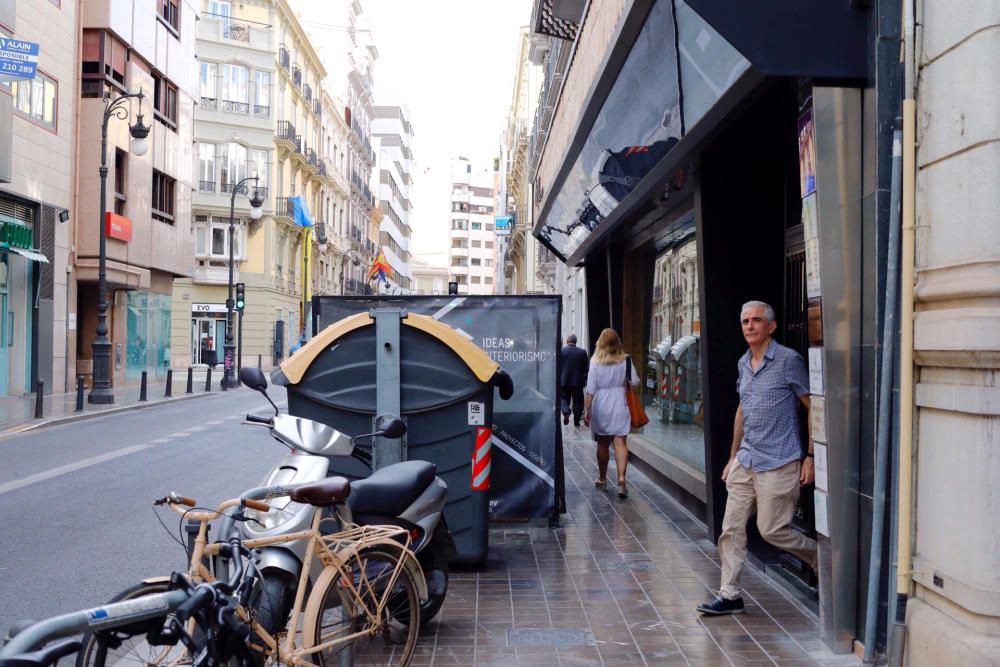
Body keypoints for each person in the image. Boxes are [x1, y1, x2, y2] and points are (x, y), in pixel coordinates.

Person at [697, 301, 817, 616]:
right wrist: (733, 455)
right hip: (746, 460)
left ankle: (822, 559)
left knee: (772, 530)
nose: (749, 326)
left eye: (756, 320)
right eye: (745, 321)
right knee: (731, 529)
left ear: (771, 327)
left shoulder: (789, 361)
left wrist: (811, 455)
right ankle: (730, 595)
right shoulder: (743, 363)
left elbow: (812, 408)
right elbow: (742, 408)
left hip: (779, 460)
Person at [582, 328, 639, 499]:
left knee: (602, 443)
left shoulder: (595, 361)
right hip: (621, 403)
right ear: (618, 343)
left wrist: (586, 410)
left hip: (602, 404)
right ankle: (621, 479)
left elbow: (590, 389)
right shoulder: (626, 360)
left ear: (600, 343)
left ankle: (602, 478)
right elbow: (634, 381)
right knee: (620, 442)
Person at [559, 334, 589, 426]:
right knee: (578, 402)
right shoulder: (582, 352)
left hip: (564, 381)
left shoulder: (561, 351)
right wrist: (585, 379)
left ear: (567, 341)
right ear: (576, 341)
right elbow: (586, 368)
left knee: (563, 398)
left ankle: (566, 411)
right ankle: (576, 421)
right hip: (578, 381)